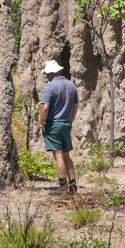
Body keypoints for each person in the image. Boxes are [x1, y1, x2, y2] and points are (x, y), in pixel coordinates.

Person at [39, 59, 79, 194]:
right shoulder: (72, 86)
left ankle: (62, 188)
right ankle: (73, 187)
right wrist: (70, 122)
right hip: (67, 124)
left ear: (51, 73)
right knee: (67, 155)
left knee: (58, 156)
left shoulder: (50, 86)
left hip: (53, 124)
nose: (46, 76)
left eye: (47, 74)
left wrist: (42, 122)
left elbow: (45, 108)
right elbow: (75, 107)